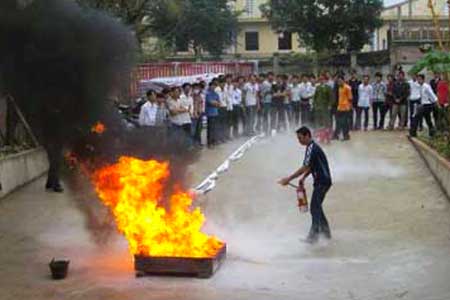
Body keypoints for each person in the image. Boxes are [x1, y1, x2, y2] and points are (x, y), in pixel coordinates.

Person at [278, 126, 333, 244]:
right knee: (317, 207)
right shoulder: (312, 147)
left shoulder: (311, 148)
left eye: (300, 138)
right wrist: (303, 178)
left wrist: (289, 178)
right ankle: (326, 233)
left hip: (322, 181)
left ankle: (314, 237)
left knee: (314, 207)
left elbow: (305, 167)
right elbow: (312, 166)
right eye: (298, 139)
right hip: (323, 181)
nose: (299, 141)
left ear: (307, 135)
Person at [333, 76, 352, 141]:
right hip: (339, 107)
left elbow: (350, 99)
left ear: (343, 81)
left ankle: (346, 136)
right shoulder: (339, 88)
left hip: (346, 108)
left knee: (344, 123)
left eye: (340, 81)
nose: (339, 82)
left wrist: (349, 107)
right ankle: (336, 135)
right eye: (338, 81)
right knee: (338, 122)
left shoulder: (348, 88)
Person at [205, 81, 221, 147]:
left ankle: (214, 141)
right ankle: (209, 142)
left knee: (215, 128)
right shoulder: (208, 94)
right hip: (210, 113)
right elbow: (210, 102)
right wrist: (215, 103)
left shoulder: (216, 94)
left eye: (214, 86)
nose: (213, 87)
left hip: (215, 113)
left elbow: (219, 103)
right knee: (210, 128)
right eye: (212, 85)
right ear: (209, 86)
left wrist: (215, 103)